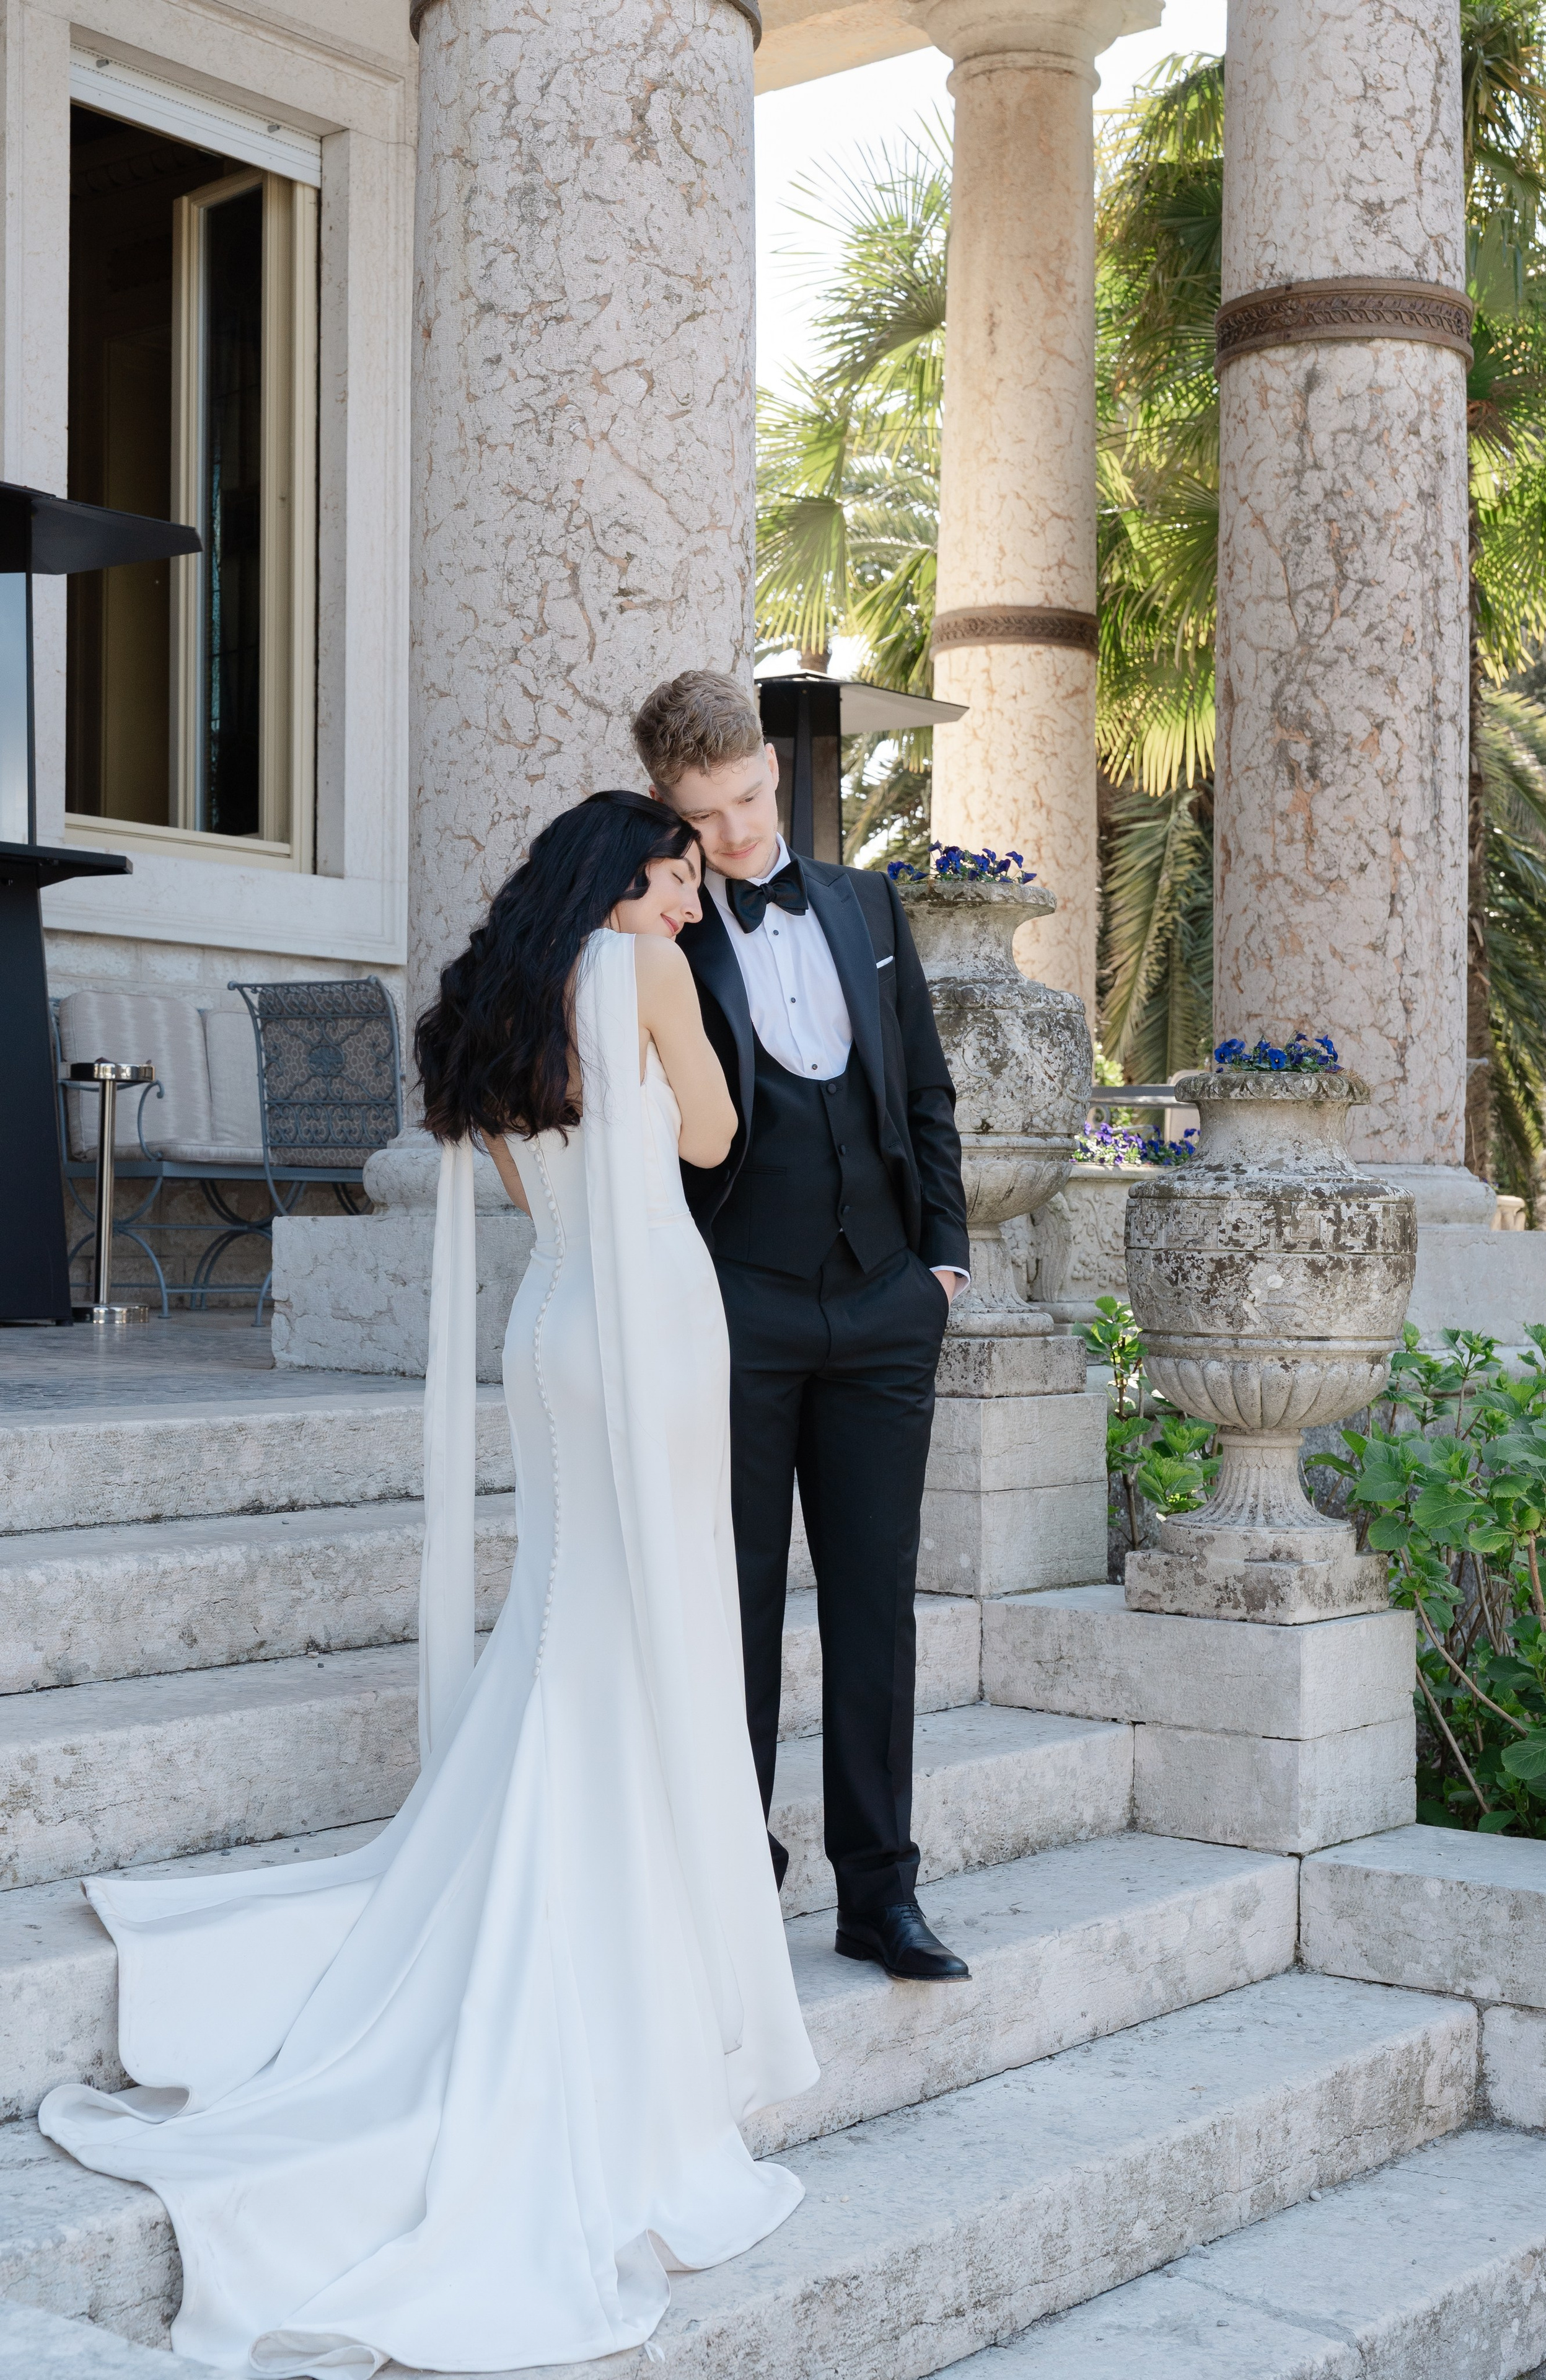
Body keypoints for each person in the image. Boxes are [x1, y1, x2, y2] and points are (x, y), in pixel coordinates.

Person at [38, 789, 817, 2379]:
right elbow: (716, 1137)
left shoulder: (501, 1007)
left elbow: (539, 1199)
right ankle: (623, 1942)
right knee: (645, 1632)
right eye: (678, 875)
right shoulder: (639, 974)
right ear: (623, 875)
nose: (689, 901)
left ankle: (556, 1879)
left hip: (554, 1336)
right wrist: (667, 1098)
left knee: (568, 1629)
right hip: (656, 1327)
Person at [633, 671, 973, 1985]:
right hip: (740, 1306)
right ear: (669, 811)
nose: (734, 834)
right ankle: (734, 1874)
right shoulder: (656, 938)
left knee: (875, 1603)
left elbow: (926, 1095)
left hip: (886, 1304)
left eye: (749, 798)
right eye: (704, 815)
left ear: (775, 770)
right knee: (738, 1605)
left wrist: (939, 1266)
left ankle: (879, 1894)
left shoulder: (864, 904)